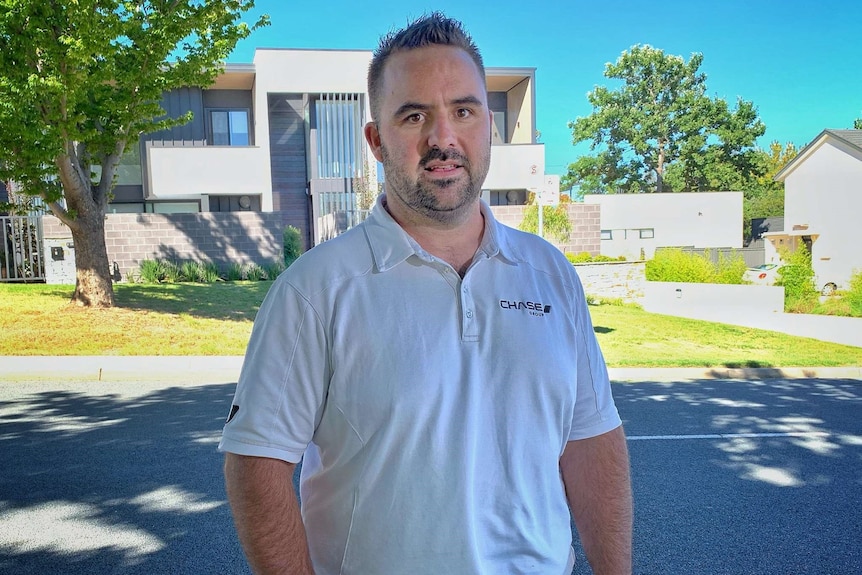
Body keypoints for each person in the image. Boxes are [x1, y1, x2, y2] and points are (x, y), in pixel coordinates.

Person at [220, 12, 632, 575]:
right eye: (414, 116)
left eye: (463, 111)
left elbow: (590, 441)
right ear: (376, 140)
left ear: (488, 123)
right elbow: (257, 461)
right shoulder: (316, 290)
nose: (443, 138)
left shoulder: (550, 275)